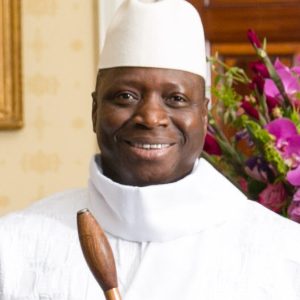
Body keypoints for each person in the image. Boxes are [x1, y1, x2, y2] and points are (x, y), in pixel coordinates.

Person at [1, 0, 300, 299]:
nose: (151, 117)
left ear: (205, 115)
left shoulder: (283, 254)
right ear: (95, 110)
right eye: (126, 96)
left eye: (176, 98)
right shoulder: (15, 246)